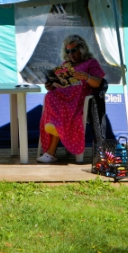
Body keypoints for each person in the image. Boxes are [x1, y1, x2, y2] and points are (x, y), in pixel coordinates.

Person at [37, 34, 105, 163]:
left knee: (58, 107)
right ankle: (55, 127)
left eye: (74, 50)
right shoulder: (66, 65)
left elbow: (99, 83)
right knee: (50, 95)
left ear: (82, 49)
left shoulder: (91, 63)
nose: (71, 54)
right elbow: (59, 85)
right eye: (68, 51)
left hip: (79, 100)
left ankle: (51, 149)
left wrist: (87, 77)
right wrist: (50, 86)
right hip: (63, 97)